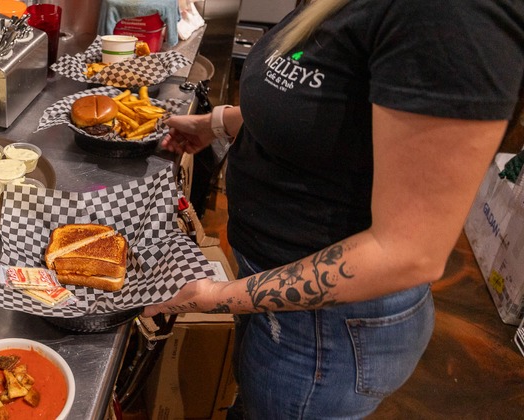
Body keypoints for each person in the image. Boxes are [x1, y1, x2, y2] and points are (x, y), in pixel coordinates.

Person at [143, 0, 524, 418]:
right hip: (275, 302)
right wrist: (219, 123)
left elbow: (408, 253)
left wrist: (217, 296)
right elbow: (324, 100)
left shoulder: (449, 17)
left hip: (328, 333)